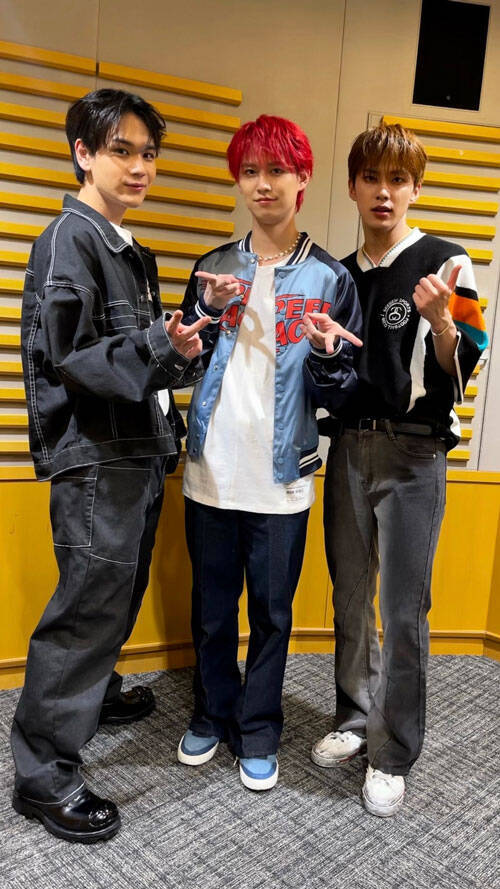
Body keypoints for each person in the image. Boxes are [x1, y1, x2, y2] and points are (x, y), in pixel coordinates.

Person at [11, 88, 209, 843]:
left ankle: (93, 693)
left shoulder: (123, 247)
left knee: (111, 600)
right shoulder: (71, 238)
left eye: (148, 153)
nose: (139, 166)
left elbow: (139, 361)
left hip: (134, 451)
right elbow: (74, 358)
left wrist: (180, 347)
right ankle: (43, 776)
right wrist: (162, 346)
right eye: (121, 150)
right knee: (86, 611)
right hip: (97, 459)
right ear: (83, 153)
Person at [176, 114, 363, 791]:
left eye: (276, 170)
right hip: (210, 470)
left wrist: (326, 354)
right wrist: (199, 319)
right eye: (250, 170)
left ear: (302, 177)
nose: (262, 183)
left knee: (272, 616)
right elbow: (183, 362)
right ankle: (210, 712)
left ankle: (258, 727)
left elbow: (343, 392)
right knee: (211, 609)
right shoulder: (213, 267)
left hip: (282, 477)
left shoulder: (331, 278)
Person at [308, 122, 488, 817]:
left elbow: (465, 361)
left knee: (403, 609)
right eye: (372, 178)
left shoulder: (447, 261)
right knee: (350, 594)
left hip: (415, 453)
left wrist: (441, 323)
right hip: (349, 448)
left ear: (415, 188)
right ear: (354, 187)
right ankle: (355, 718)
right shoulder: (339, 276)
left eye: (398, 180)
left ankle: (392, 752)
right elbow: (327, 373)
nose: (384, 192)